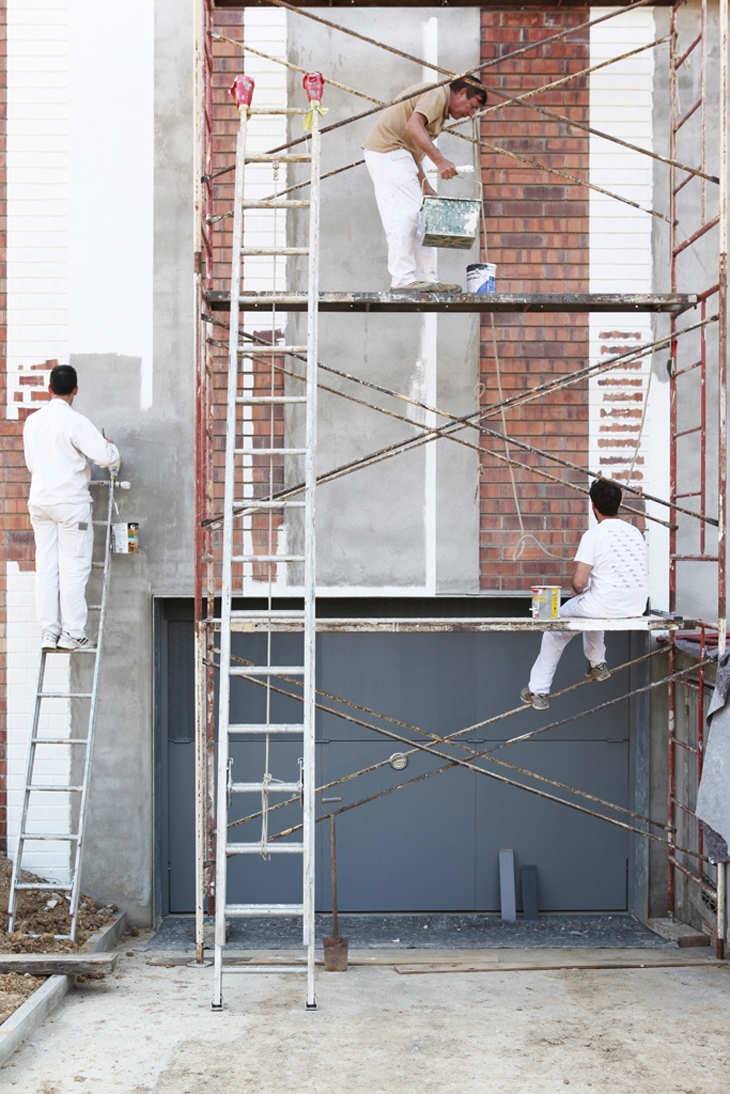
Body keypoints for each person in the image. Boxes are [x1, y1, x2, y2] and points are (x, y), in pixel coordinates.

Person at [520, 478, 649, 710]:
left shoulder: (594, 535)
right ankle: (597, 664)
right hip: (636, 606)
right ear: (618, 504)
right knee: (592, 607)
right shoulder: (635, 533)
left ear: (593, 505)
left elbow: (579, 582)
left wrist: (576, 591)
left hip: (603, 604)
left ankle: (538, 691)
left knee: (555, 631)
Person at [23, 364, 120, 652]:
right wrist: (109, 446)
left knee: (46, 568)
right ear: (75, 390)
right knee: (74, 567)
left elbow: (31, 464)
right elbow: (105, 457)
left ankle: (48, 633)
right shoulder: (75, 421)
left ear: (49, 389)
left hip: (40, 502)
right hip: (70, 505)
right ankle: (73, 633)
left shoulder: (32, 422)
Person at [363, 77, 487, 292]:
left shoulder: (439, 106)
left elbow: (412, 148)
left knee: (421, 219)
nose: (470, 114)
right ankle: (403, 280)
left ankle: (427, 279)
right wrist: (440, 161)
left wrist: (424, 183)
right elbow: (413, 127)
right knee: (404, 216)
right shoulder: (438, 93)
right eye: (472, 106)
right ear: (461, 92)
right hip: (389, 152)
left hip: (399, 155)